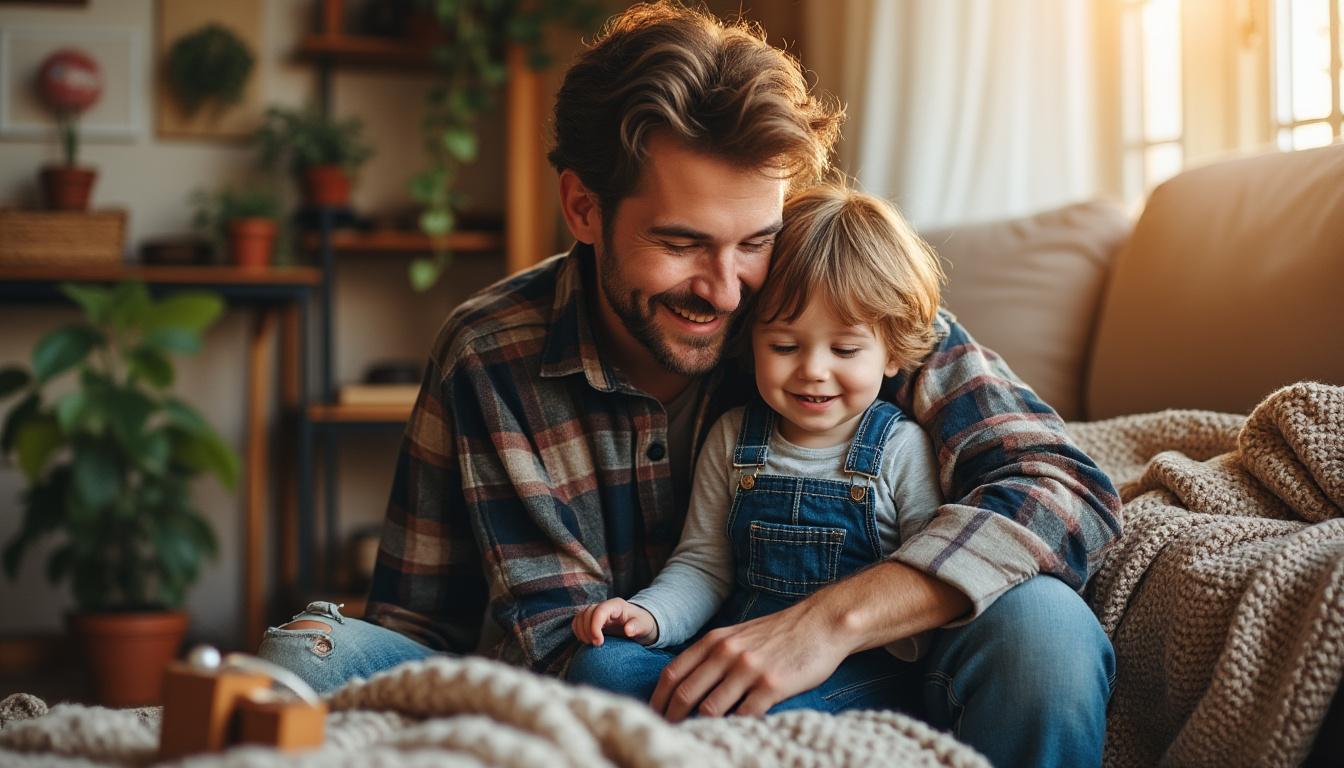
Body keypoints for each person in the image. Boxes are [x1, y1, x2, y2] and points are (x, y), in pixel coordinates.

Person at [259, 4, 1121, 767]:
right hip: (625, 679)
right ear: (584, 207)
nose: (727, 289)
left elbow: (1062, 483)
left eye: (753, 240)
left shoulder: (826, 304)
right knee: (305, 662)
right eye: (681, 244)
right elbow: (455, 634)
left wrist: (823, 626)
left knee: (1044, 630)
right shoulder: (490, 357)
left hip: (863, 665)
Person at [566, 184, 953, 711]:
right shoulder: (733, 438)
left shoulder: (901, 448)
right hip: (732, 652)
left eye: (844, 348)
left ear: (891, 353)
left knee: (765, 715)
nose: (814, 369)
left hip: (852, 673)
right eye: (785, 346)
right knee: (600, 666)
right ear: (750, 342)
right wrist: (647, 616)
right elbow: (703, 565)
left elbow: (922, 594)